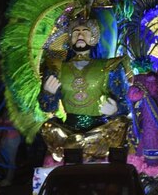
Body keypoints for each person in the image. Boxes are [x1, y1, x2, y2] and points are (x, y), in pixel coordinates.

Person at [38, 16, 130, 162]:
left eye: (85, 32)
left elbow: (126, 104)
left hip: (100, 130)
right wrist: (48, 94)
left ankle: (80, 146)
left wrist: (115, 110)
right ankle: (81, 146)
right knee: (48, 127)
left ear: (93, 38)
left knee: (122, 123)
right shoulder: (57, 68)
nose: (80, 35)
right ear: (70, 38)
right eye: (75, 32)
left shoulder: (108, 67)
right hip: (69, 129)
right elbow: (47, 107)